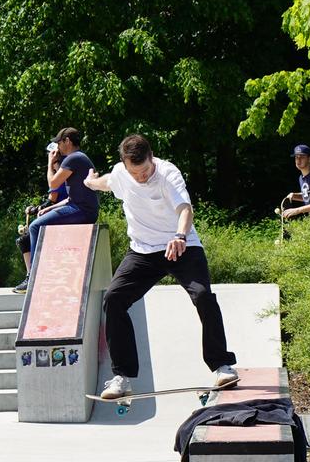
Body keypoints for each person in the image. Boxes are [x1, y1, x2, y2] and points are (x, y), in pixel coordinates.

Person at [86, 135, 237, 399]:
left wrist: (179, 236)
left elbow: (185, 209)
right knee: (114, 298)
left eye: (145, 171)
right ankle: (122, 376)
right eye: (136, 173)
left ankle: (221, 365)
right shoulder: (122, 174)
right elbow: (106, 182)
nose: (141, 177)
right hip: (143, 251)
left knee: (203, 295)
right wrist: (90, 182)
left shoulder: (168, 173)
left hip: (182, 246)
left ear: (151, 157)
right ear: (124, 163)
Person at [13, 127, 99, 293]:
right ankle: (44, 272)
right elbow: (70, 198)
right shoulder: (79, 158)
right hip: (81, 208)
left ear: (67, 141)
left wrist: (49, 163)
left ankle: (34, 277)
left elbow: (53, 184)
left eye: (59, 143)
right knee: (39, 222)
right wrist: (50, 208)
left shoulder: (72, 159)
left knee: (35, 226)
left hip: (81, 210)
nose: (57, 147)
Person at [278, 144, 310, 222]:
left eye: (302, 157)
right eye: (296, 157)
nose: (298, 160)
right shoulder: (301, 178)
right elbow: (309, 197)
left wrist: (297, 210)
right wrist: (295, 195)